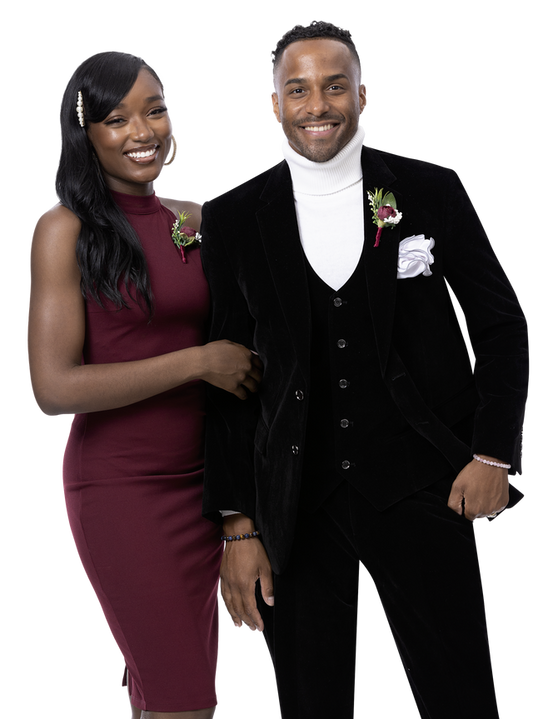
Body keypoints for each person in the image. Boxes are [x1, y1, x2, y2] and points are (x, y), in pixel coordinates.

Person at [200, 18, 530, 719]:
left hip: (421, 480)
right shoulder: (231, 216)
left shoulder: (429, 186)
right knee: (309, 704)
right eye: (298, 89)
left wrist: (493, 451)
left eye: (333, 86)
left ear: (363, 94)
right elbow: (226, 379)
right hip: (293, 499)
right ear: (272, 105)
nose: (316, 104)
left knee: (461, 697)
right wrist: (237, 524)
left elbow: (502, 325)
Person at [25, 48, 262, 719]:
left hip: (207, 485)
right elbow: (52, 387)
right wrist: (193, 362)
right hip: (122, 487)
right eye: (115, 118)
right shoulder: (61, 230)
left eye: (154, 110)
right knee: (181, 697)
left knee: (176, 692)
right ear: (85, 134)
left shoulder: (200, 220)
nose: (142, 131)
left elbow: (249, 355)